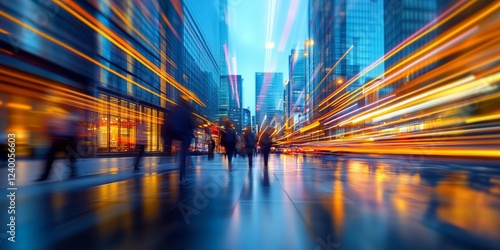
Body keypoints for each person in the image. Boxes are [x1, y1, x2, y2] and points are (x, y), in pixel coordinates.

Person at [37, 109, 80, 181]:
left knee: (69, 158)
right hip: (59, 140)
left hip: (67, 140)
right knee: (50, 157)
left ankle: (72, 172)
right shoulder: (59, 115)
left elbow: (74, 129)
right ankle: (45, 175)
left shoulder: (69, 116)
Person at [164, 96, 195, 185]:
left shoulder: (176, 108)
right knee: (184, 155)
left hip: (176, 133)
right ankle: (182, 176)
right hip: (185, 135)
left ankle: (181, 174)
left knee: (182, 155)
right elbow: (192, 124)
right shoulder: (187, 110)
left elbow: (169, 121)